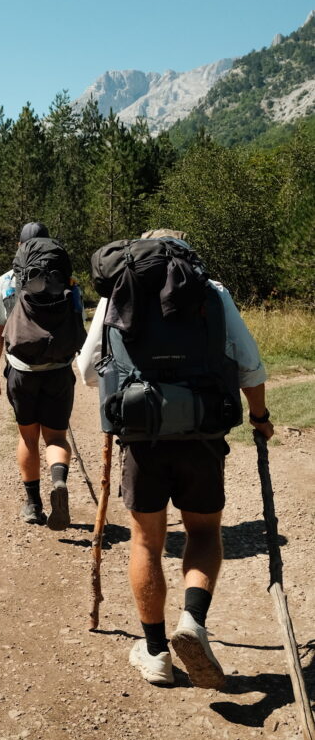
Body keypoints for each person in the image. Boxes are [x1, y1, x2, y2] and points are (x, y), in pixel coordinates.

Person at [78, 229, 273, 689]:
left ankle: (155, 653)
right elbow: (251, 366)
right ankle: (193, 622)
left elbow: (87, 372)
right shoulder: (213, 292)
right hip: (202, 433)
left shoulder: (119, 290)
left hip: (142, 437)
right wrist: (260, 417)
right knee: (204, 531)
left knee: (146, 542)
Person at [0, 221, 82, 530]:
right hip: (59, 370)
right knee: (55, 436)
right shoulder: (69, 280)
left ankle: (33, 504)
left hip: (22, 371)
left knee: (28, 436)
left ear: (20, 247)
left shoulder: (8, 280)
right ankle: (59, 480)